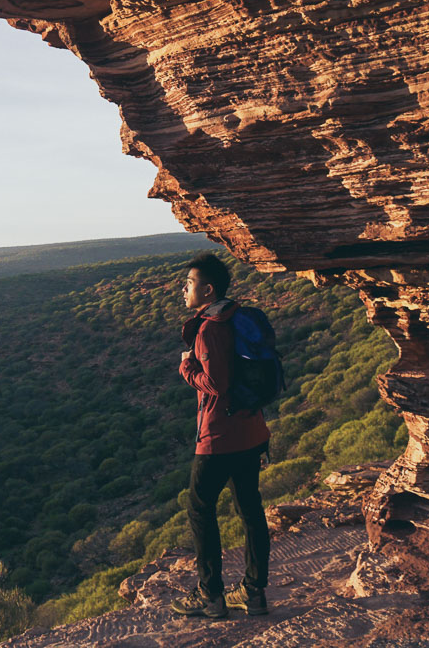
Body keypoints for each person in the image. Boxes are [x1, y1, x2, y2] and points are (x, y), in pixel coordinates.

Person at [169, 252, 271, 619]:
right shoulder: (238, 318)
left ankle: (211, 595)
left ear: (207, 289)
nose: (184, 289)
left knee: (199, 509)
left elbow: (215, 384)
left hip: (219, 437)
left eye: (190, 283)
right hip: (251, 429)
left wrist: (186, 366)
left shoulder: (210, 328)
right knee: (250, 509)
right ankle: (255, 593)